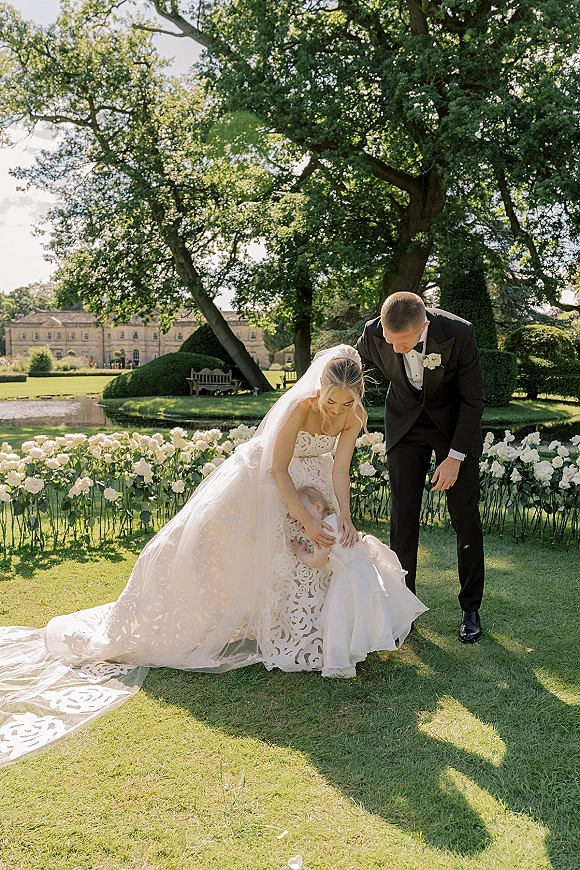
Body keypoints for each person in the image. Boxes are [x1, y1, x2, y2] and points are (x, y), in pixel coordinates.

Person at [0, 344, 418, 768]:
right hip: (268, 479)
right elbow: (276, 470)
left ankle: (301, 633)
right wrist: (304, 519)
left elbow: (339, 469)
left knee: (309, 559)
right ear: (320, 389)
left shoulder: (354, 416)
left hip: (313, 484)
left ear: (358, 396)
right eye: (331, 401)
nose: (336, 410)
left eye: (346, 403)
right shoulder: (299, 409)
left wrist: (342, 516)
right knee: (202, 544)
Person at [355, 292, 485, 644]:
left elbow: (474, 400)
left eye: (403, 343)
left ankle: (470, 607)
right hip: (405, 424)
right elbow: (352, 375)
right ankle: (402, 607)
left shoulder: (459, 333)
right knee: (403, 518)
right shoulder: (372, 333)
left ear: (423, 326)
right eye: (388, 340)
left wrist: (455, 457)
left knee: (465, 519)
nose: (394, 349)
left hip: (452, 427)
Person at [291, 486, 427, 677]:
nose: (300, 521)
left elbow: (319, 560)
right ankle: (365, 642)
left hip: (347, 576)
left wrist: (302, 552)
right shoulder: (338, 519)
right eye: (296, 518)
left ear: (318, 506)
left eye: (301, 514)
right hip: (365, 570)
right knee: (364, 612)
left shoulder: (322, 531)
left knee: (339, 617)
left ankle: (339, 663)